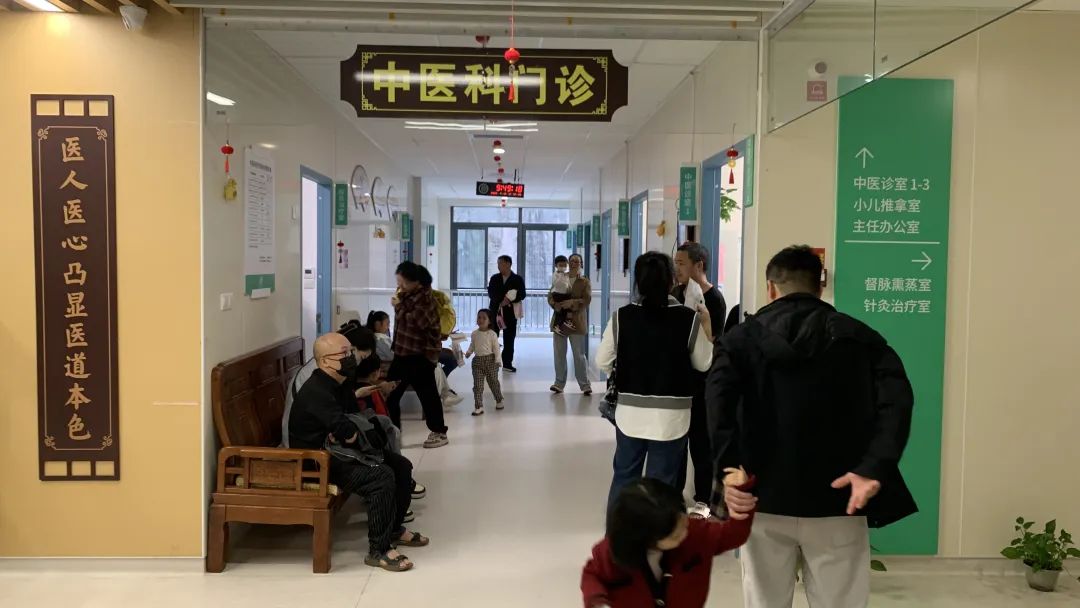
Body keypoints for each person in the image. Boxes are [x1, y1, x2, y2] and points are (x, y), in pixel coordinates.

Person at [707, 245, 917, 608]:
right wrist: (873, 467)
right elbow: (897, 403)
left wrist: (729, 472)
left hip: (761, 494)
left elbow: (717, 406)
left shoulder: (739, 341)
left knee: (764, 600)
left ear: (770, 288)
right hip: (840, 498)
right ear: (820, 287)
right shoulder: (860, 338)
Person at [287, 332, 430, 572]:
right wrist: (348, 432)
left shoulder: (339, 382)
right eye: (343, 354)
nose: (350, 358)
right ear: (325, 361)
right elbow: (349, 432)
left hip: (340, 451)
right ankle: (379, 550)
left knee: (401, 466)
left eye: (350, 352)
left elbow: (350, 423)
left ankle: (394, 529)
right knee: (380, 477)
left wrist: (349, 431)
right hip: (319, 462)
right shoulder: (317, 392)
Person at [597, 252, 714, 513]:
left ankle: (618, 533)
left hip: (630, 413)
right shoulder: (688, 318)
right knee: (662, 483)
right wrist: (706, 327)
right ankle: (657, 535)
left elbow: (602, 360)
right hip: (672, 417)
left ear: (638, 282)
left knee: (625, 476)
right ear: (671, 280)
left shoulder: (622, 317)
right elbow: (704, 362)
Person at [581, 473, 755, 608]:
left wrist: (741, 497)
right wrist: (597, 601)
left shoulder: (695, 533)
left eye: (684, 522)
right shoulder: (612, 552)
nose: (685, 533)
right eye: (674, 536)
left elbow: (734, 535)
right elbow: (593, 576)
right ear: (646, 539)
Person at [672, 242, 727, 509]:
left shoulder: (714, 299)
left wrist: (704, 322)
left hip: (702, 384)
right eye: (675, 263)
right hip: (678, 382)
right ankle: (675, 495)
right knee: (676, 443)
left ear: (699, 266)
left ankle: (704, 498)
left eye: (681, 263)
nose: (677, 269)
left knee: (701, 444)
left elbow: (715, 343)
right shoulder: (675, 293)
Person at [384, 261, 450, 449]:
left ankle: (439, 432)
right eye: (398, 282)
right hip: (403, 353)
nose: (400, 286)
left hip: (420, 356)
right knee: (391, 394)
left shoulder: (426, 299)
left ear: (417, 282)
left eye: (403, 282)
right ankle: (394, 434)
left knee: (427, 395)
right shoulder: (407, 295)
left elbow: (419, 323)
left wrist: (399, 307)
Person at [548, 253, 593, 395]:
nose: (574, 263)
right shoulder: (560, 277)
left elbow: (586, 299)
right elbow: (550, 295)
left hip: (577, 322)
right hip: (560, 321)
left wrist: (572, 303)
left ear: (581, 264)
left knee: (579, 355)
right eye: (571, 261)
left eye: (577, 261)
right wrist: (555, 304)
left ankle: (585, 385)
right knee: (559, 354)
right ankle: (559, 383)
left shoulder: (584, 281)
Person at [487, 254, 526, 372]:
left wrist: (509, 300)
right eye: (498, 264)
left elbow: (522, 294)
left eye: (501, 263)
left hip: (510, 313)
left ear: (508, 264)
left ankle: (507, 363)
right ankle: (490, 362)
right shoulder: (495, 278)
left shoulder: (517, 279)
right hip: (495, 312)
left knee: (509, 339)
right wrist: (501, 300)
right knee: (492, 337)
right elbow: (491, 293)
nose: (499, 266)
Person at [465, 309, 504, 416]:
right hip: (477, 362)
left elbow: (496, 348)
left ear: (489, 321)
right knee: (477, 385)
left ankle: (499, 400)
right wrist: (469, 352)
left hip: (491, 361)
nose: (481, 320)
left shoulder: (492, 334)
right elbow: (472, 345)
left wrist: (498, 360)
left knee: (493, 382)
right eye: (479, 317)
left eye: (484, 318)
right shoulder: (474, 334)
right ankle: (478, 406)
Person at [549, 255, 576, 335]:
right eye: (561, 265)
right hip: (557, 294)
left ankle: (563, 324)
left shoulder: (565, 275)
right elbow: (556, 284)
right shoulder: (555, 274)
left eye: (565, 265)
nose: (563, 267)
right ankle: (557, 326)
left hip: (564, 294)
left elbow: (567, 285)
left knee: (565, 310)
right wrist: (561, 277)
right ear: (556, 265)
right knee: (561, 310)